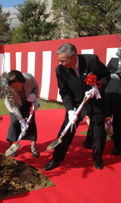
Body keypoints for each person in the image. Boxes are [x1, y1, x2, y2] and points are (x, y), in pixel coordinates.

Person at [43, 43, 111, 171]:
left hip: (95, 101)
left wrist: (97, 87)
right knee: (66, 130)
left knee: (98, 131)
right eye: (59, 60)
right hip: (76, 104)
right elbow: (64, 91)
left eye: (64, 60)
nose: (61, 63)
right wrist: (69, 110)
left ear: (74, 56)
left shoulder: (92, 60)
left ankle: (97, 159)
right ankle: (55, 159)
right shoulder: (60, 70)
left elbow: (106, 75)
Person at [5, 70, 41, 158]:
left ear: (22, 81)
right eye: (13, 87)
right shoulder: (7, 89)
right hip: (15, 104)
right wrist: (21, 120)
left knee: (31, 123)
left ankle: (33, 147)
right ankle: (11, 146)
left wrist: (35, 98)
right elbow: (13, 106)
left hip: (28, 102)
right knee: (14, 123)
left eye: (17, 86)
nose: (15, 88)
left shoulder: (29, 78)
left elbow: (36, 87)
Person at [83, 73, 121, 156]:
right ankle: (116, 148)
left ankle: (88, 142)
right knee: (118, 125)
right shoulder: (118, 82)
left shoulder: (104, 80)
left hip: (107, 101)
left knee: (96, 121)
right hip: (119, 102)